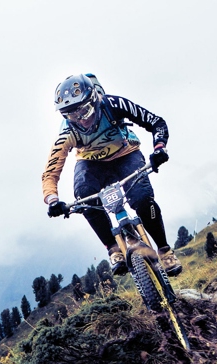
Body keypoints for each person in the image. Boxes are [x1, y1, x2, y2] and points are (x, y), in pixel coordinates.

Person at [42, 73, 182, 276]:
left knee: (142, 199)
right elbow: (50, 172)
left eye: (84, 111)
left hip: (126, 154)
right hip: (91, 164)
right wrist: (53, 200)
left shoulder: (113, 105)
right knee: (84, 197)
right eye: (72, 116)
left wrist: (159, 148)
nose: (81, 120)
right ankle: (113, 248)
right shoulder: (66, 133)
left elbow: (156, 122)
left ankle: (165, 250)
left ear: (94, 100)